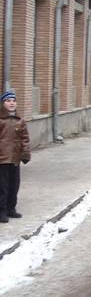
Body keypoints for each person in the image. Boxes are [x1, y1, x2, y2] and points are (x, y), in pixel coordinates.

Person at [0, 91, 31, 223]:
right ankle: (2, 211)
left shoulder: (20, 120)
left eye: (13, 100)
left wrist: (25, 153)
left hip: (15, 158)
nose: (11, 103)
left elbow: (25, 138)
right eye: (8, 101)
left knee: (14, 184)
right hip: (2, 158)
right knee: (2, 186)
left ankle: (11, 208)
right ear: (3, 104)